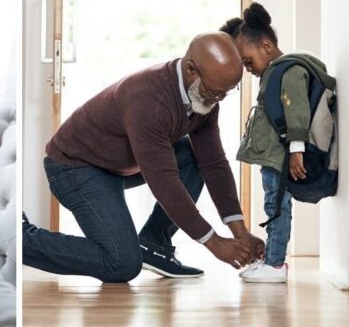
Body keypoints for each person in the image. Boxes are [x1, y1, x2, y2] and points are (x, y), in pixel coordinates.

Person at [23, 32, 265, 283]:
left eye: (226, 93)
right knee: (122, 263)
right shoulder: (150, 100)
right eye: (215, 92)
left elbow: (213, 163)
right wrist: (213, 242)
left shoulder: (204, 98)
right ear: (192, 69)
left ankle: (154, 245)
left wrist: (241, 232)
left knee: (193, 157)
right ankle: (22, 237)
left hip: (117, 165)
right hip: (75, 168)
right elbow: (165, 182)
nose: (218, 100)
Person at [221, 2, 334, 283]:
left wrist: (297, 150)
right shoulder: (276, 71)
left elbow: (296, 110)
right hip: (274, 158)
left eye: (247, 61)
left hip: (281, 157)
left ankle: (274, 265)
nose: (247, 69)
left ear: (267, 46)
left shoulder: (288, 70)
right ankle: (272, 261)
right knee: (274, 204)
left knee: (276, 206)